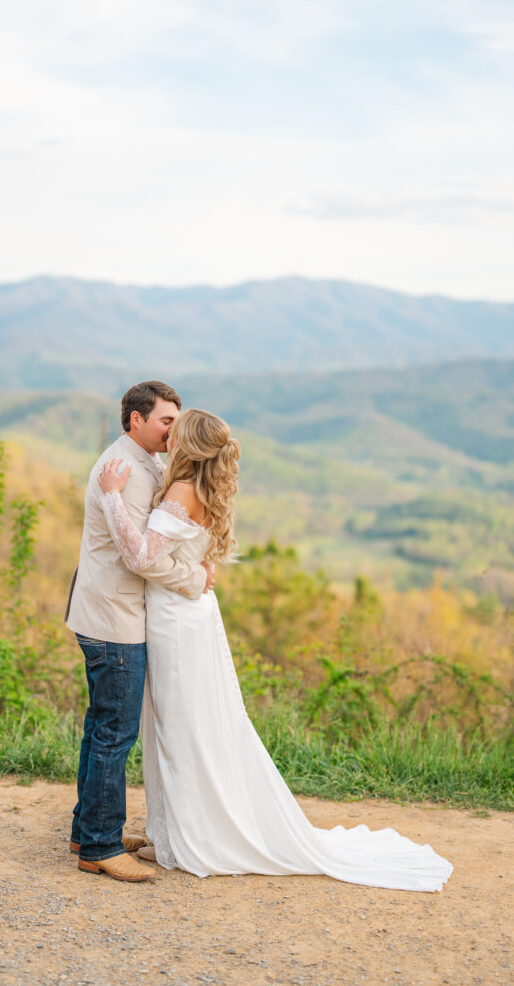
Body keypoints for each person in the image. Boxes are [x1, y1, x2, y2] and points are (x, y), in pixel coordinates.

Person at [96, 408, 454, 891]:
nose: (166, 439)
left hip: (177, 623)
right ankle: (173, 830)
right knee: (183, 726)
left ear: (188, 446)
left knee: (183, 729)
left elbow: (141, 556)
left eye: (174, 433)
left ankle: (195, 835)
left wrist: (112, 497)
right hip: (185, 614)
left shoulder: (182, 492)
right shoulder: (194, 486)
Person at [65, 381, 214, 883]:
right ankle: (100, 848)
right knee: (115, 732)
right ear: (136, 421)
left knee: (101, 727)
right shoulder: (125, 472)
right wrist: (195, 578)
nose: (173, 429)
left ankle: (87, 830)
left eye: (176, 420)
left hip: (111, 611)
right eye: (165, 421)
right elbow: (139, 558)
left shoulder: (143, 462)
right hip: (115, 617)